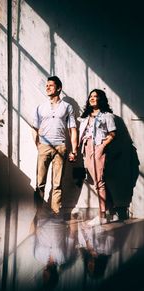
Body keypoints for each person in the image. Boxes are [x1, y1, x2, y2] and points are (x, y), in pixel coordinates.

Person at [32, 76, 77, 215]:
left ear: (59, 88)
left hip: (61, 147)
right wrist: (38, 145)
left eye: (51, 85)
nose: (47, 87)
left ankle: (55, 213)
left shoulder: (67, 107)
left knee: (57, 184)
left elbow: (73, 129)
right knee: (40, 183)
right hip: (44, 146)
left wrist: (74, 150)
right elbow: (35, 128)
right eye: (46, 85)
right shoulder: (40, 107)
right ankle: (37, 212)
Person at [78, 89, 116, 226]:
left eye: (96, 96)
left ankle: (102, 216)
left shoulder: (107, 115)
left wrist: (102, 146)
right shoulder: (86, 116)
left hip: (98, 147)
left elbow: (112, 133)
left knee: (99, 182)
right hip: (87, 148)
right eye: (91, 96)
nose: (93, 98)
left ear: (101, 99)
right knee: (97, 181)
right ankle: (113, 212)